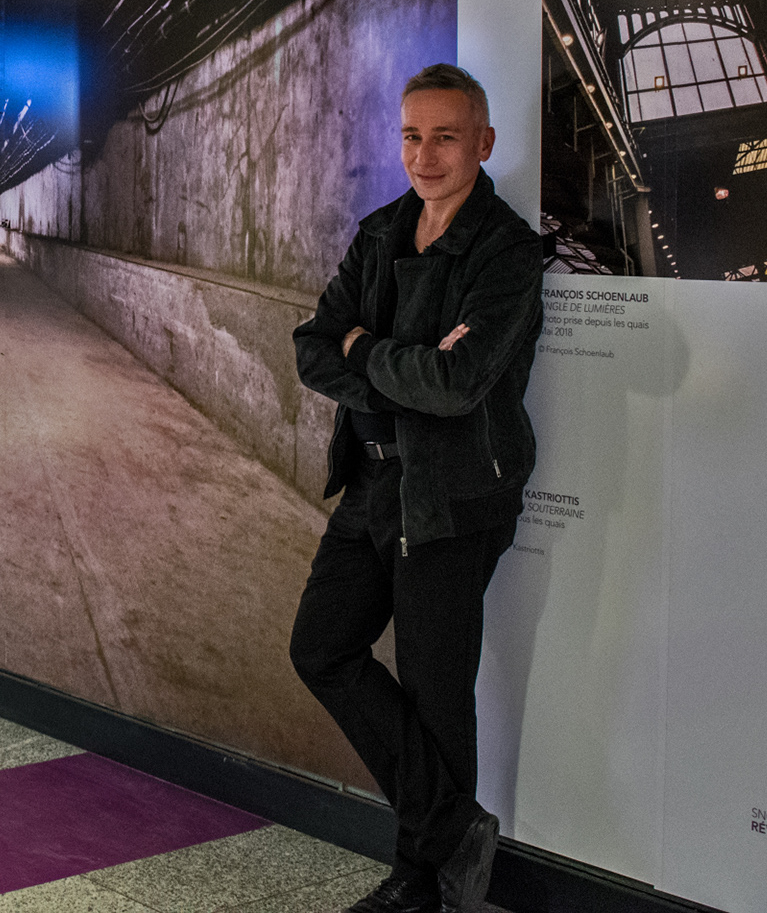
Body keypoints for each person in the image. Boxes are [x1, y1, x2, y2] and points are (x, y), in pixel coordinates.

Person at [287, 64, 542, 913]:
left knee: (437, 694)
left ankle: (422, 882)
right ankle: (454, 830)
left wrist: (364, 348)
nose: (424, 155)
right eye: (410, 135)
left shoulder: (503, 250)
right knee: (321, 645)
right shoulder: (382, 230)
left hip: (454, 498)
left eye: (444, 136)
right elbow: (312, 345)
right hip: (371, 484)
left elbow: (457, 384)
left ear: (483, 143)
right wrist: (390, 359)